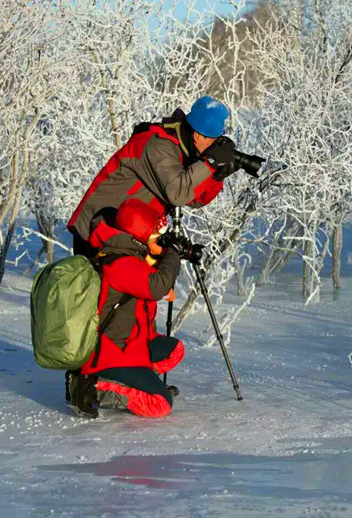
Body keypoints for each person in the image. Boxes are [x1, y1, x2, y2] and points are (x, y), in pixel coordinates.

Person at [67, 96, 238, 259]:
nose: (214, 146)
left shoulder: (183, 151)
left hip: (124, 236)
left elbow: (194, 198)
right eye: (213, 141)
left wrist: (216, 176)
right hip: (98, 230)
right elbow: (178, 193)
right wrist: (210, 162)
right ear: (198, 135)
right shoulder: (158, 145)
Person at [69, 199, 191, 419]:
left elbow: (155, 286)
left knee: (174, 350)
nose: (161, 240)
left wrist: (171, 253)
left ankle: (140, 385)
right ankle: (90, 386)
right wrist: (173, 252)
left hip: (132, 346)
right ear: (141, 236)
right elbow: (158, 285)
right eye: (157, 234)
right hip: (112, 353)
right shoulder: (122, 263)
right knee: (160, 405)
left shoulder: (133, 258)